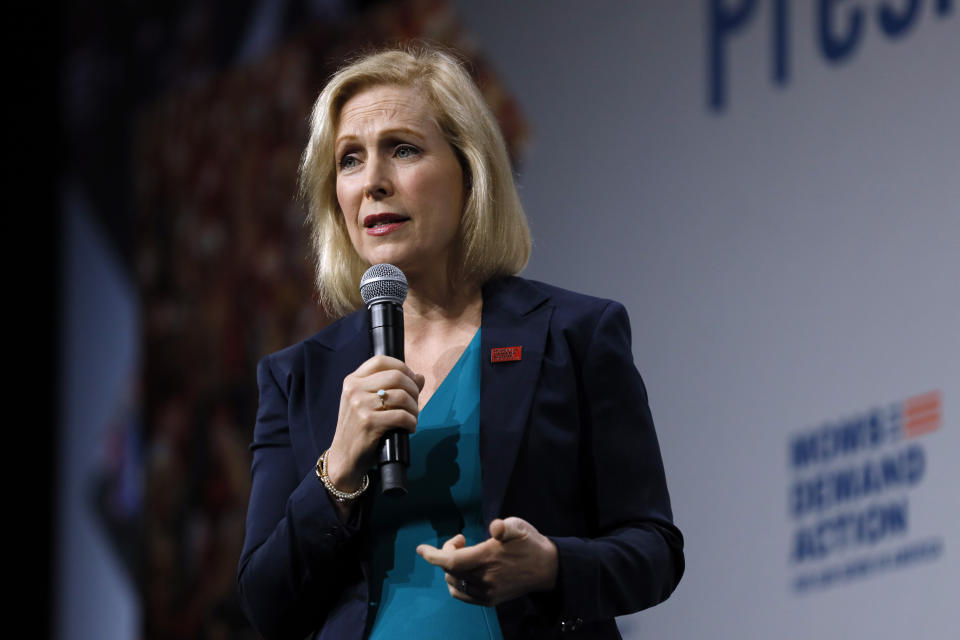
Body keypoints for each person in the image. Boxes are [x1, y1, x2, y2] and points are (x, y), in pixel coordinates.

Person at [237, 46, 684, 640]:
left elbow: (653, 550)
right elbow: (266, 602)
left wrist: (550, 565)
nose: (373, 182)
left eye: (403, 149)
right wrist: (337, 470)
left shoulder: (573, 335)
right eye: (350, 159)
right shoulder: (298, 377)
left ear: (468, 170)